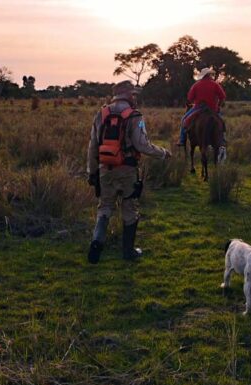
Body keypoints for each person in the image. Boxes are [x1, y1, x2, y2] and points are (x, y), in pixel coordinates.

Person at [87, 80, 172, 264]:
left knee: (105, 207)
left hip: (105, 169)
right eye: (133, 94)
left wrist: (92, 172)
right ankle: (128, 251)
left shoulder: (101, 113)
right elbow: (142, 145)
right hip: (127, 169)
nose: (135, 97)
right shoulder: (134, 116)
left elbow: (93, 146)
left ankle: (96, 243)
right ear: (128, 95)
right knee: (129, 208)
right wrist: (163, 154)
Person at [178, 67, 226, 147]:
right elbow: (222, 97)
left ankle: (182, 139)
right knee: (221, 122)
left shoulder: (196, 85)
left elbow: (190, 99)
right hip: (212, 108)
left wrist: (190, 103)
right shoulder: (215, 84)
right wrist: (218, 106)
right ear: (209, 75)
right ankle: (223, 139)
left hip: (198, 108)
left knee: (184, 120)